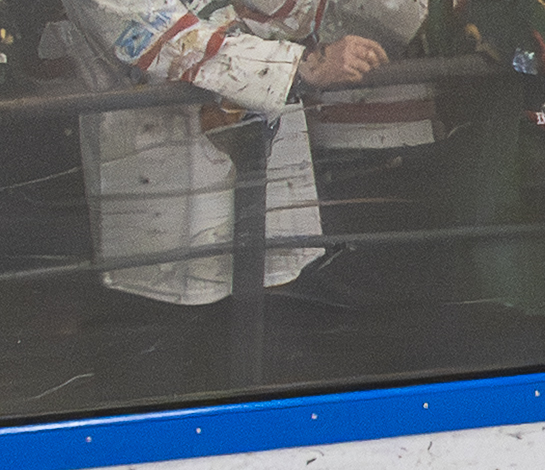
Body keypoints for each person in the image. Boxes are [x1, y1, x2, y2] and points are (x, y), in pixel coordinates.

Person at [55, 0, 421, 305]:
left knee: (278, 321)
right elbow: (156, 37)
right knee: (174, 336)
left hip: (270, 190)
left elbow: (293, 17)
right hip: (162, 191)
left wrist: (312, 48)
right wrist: (304, 65)